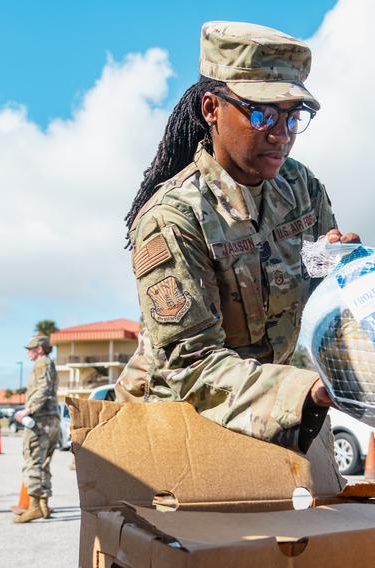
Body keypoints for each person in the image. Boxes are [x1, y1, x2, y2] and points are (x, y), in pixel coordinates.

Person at [117, 21, 359, 454]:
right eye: (263, 114)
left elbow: (313, 276)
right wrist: (306, 392)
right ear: (212, 108)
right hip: (175, 426)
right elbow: (190, 367)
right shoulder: (173, 216)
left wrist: (338, 267)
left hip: (265, 413)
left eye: (292, 116)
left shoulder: (300, 189)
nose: (282, 134)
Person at [13, 335, 60, 523]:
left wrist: (28, 410)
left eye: (30, 348)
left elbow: (44, 388)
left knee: (32, 462)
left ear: (39, 349)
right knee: (44, 463)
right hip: (52, 419)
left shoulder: (42, 363)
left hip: (40, 420)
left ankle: (34, 507)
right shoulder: (50, 363)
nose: (27, 352)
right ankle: (43, 505)